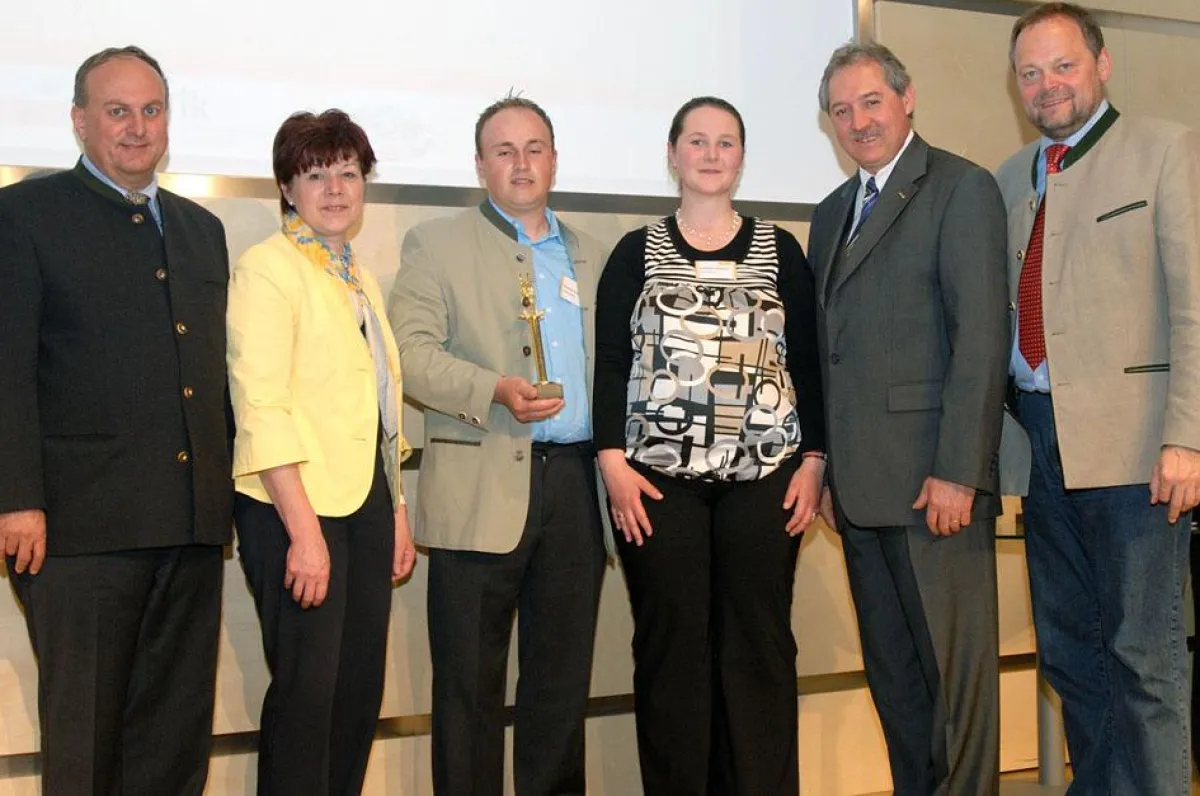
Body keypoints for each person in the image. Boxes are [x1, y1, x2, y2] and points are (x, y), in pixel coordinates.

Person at [0, 46, 233, 794]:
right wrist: (15, 498)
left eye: (152, 110)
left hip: (191, 526)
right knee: (87, 743)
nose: (138, 128)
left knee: (172, 740)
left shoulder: (201, 229)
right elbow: (5, 367)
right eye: (118, 110)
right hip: (78, 531)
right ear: (79, 121)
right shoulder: (24, 215)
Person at [592, 96, 825, 795]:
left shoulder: (780, 248)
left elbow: (808, 362)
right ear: (673, 155)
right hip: (657, 484)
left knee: (758, 648)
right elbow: (608, 362)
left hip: (765, 478)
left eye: (726, 142)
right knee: (672, 653)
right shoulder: (636, 251)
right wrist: (612, 466)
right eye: (697, 141)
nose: (712, 154)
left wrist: (814, 461)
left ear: (742, 158)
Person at [997, 4, 1200, 791]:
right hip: (1040, 445)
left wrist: (1188, 437)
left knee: (1143, 657)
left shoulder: (1164, 150)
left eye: (1063, 66)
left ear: (1103, 64)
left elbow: (1193, 304)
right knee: (1071, 650)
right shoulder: (1011, 177)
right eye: (1030, 73)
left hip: (1139, 450)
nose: (1047, 86)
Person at [387, 95, 610, 796]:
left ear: (554, 158)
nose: (521, 163)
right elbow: (410, 357)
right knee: (468, 691)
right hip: (479, 485)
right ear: (480, 164)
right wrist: (494, 387)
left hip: (575, 488)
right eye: (504, 150)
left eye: (535, 147)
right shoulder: (435, 243)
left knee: (560, 688)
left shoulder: (595, 256)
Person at [808, 42, 1009, 795]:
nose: (858, 121)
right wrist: (825, 469)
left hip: (937, 492)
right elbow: (833, 355)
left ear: (907, 98)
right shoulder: (830, 215)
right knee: (897, 691)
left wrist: (960, 469)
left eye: (871, 102)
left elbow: (981, 341)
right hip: (860, 498)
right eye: (841, 110)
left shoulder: (961, 188)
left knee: (958, 701)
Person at [226, 109, 415, 795]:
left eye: (347, 173)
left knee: (357, 693)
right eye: (315, 175)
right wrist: (305, 535)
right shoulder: (267, 270)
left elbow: (378, 404)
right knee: (309, 697)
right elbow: (262, 406)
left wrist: (393, 506)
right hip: (293, 512)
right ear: (286, 187)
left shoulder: (353, 275)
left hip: (362, 503)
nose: (335, 189)